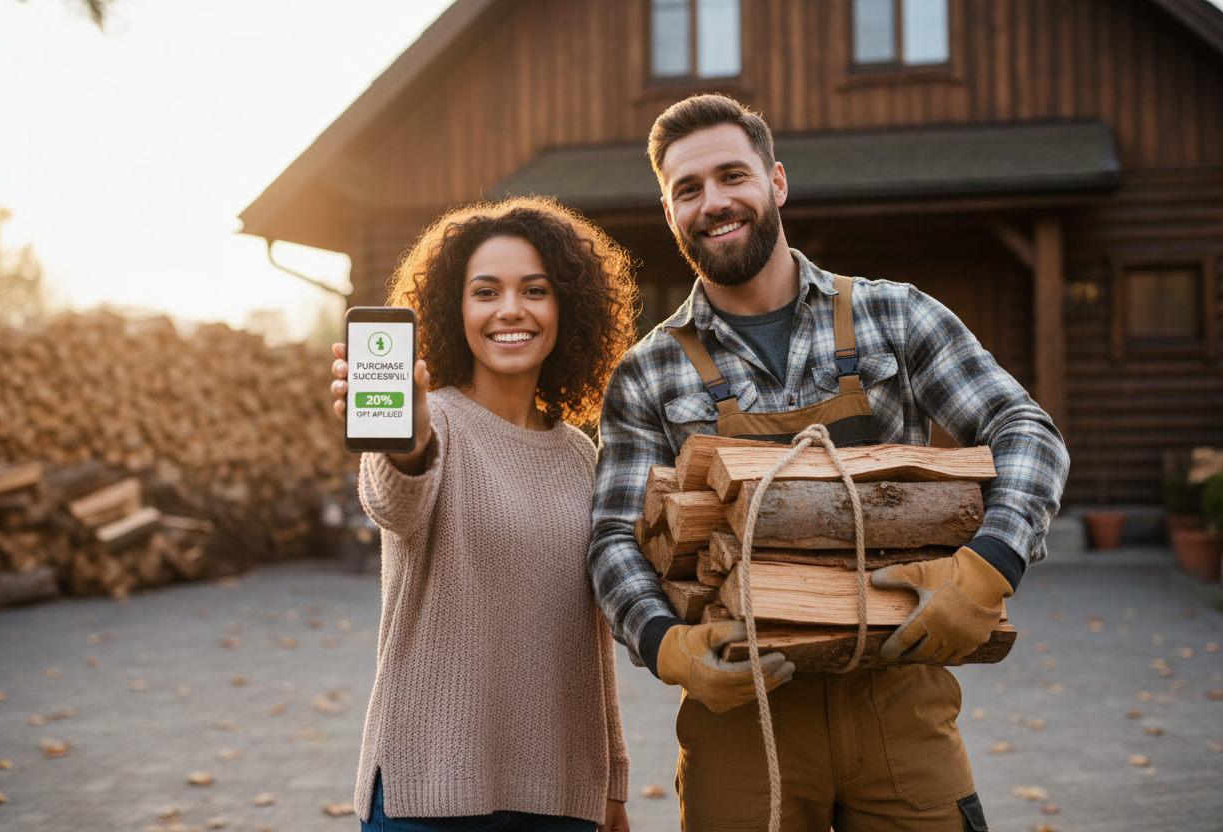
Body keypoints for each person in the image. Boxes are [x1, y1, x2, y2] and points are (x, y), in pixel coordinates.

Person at [588, 94, 1070, 831]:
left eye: (732, 176)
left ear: (776, 181)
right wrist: (669, 646)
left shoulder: (897, 315)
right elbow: (614, 537)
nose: (714, 202)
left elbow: (1023, 428)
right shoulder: (647, 373)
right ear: (668, 211)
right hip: (742, 720)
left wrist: (988, 567)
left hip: (900, 700)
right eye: (688, 189)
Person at [330, 197, 639, 832]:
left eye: (535, 290)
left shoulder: (581, 455)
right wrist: (405, 442)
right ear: (455, 310)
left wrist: (613, 780)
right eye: (485, 291)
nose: (510, 310)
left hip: (559, 793)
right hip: (429, 790)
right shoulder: (434, 423)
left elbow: (591, 640)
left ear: (565, 309)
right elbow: (394, 502)